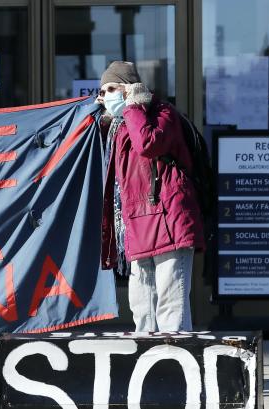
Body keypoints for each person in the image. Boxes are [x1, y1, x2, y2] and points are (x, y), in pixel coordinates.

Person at [96, 61, 204, 332]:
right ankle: (147, 357)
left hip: (168, 216)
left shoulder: (163, 113)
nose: (105, 96)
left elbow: (147, 143)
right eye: (101, 91)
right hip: (138, 217)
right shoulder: (118, 127)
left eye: (111, 88)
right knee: (140, 299)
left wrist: (133, 106)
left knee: (171, 298)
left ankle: (175, 359)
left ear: (129, 89)